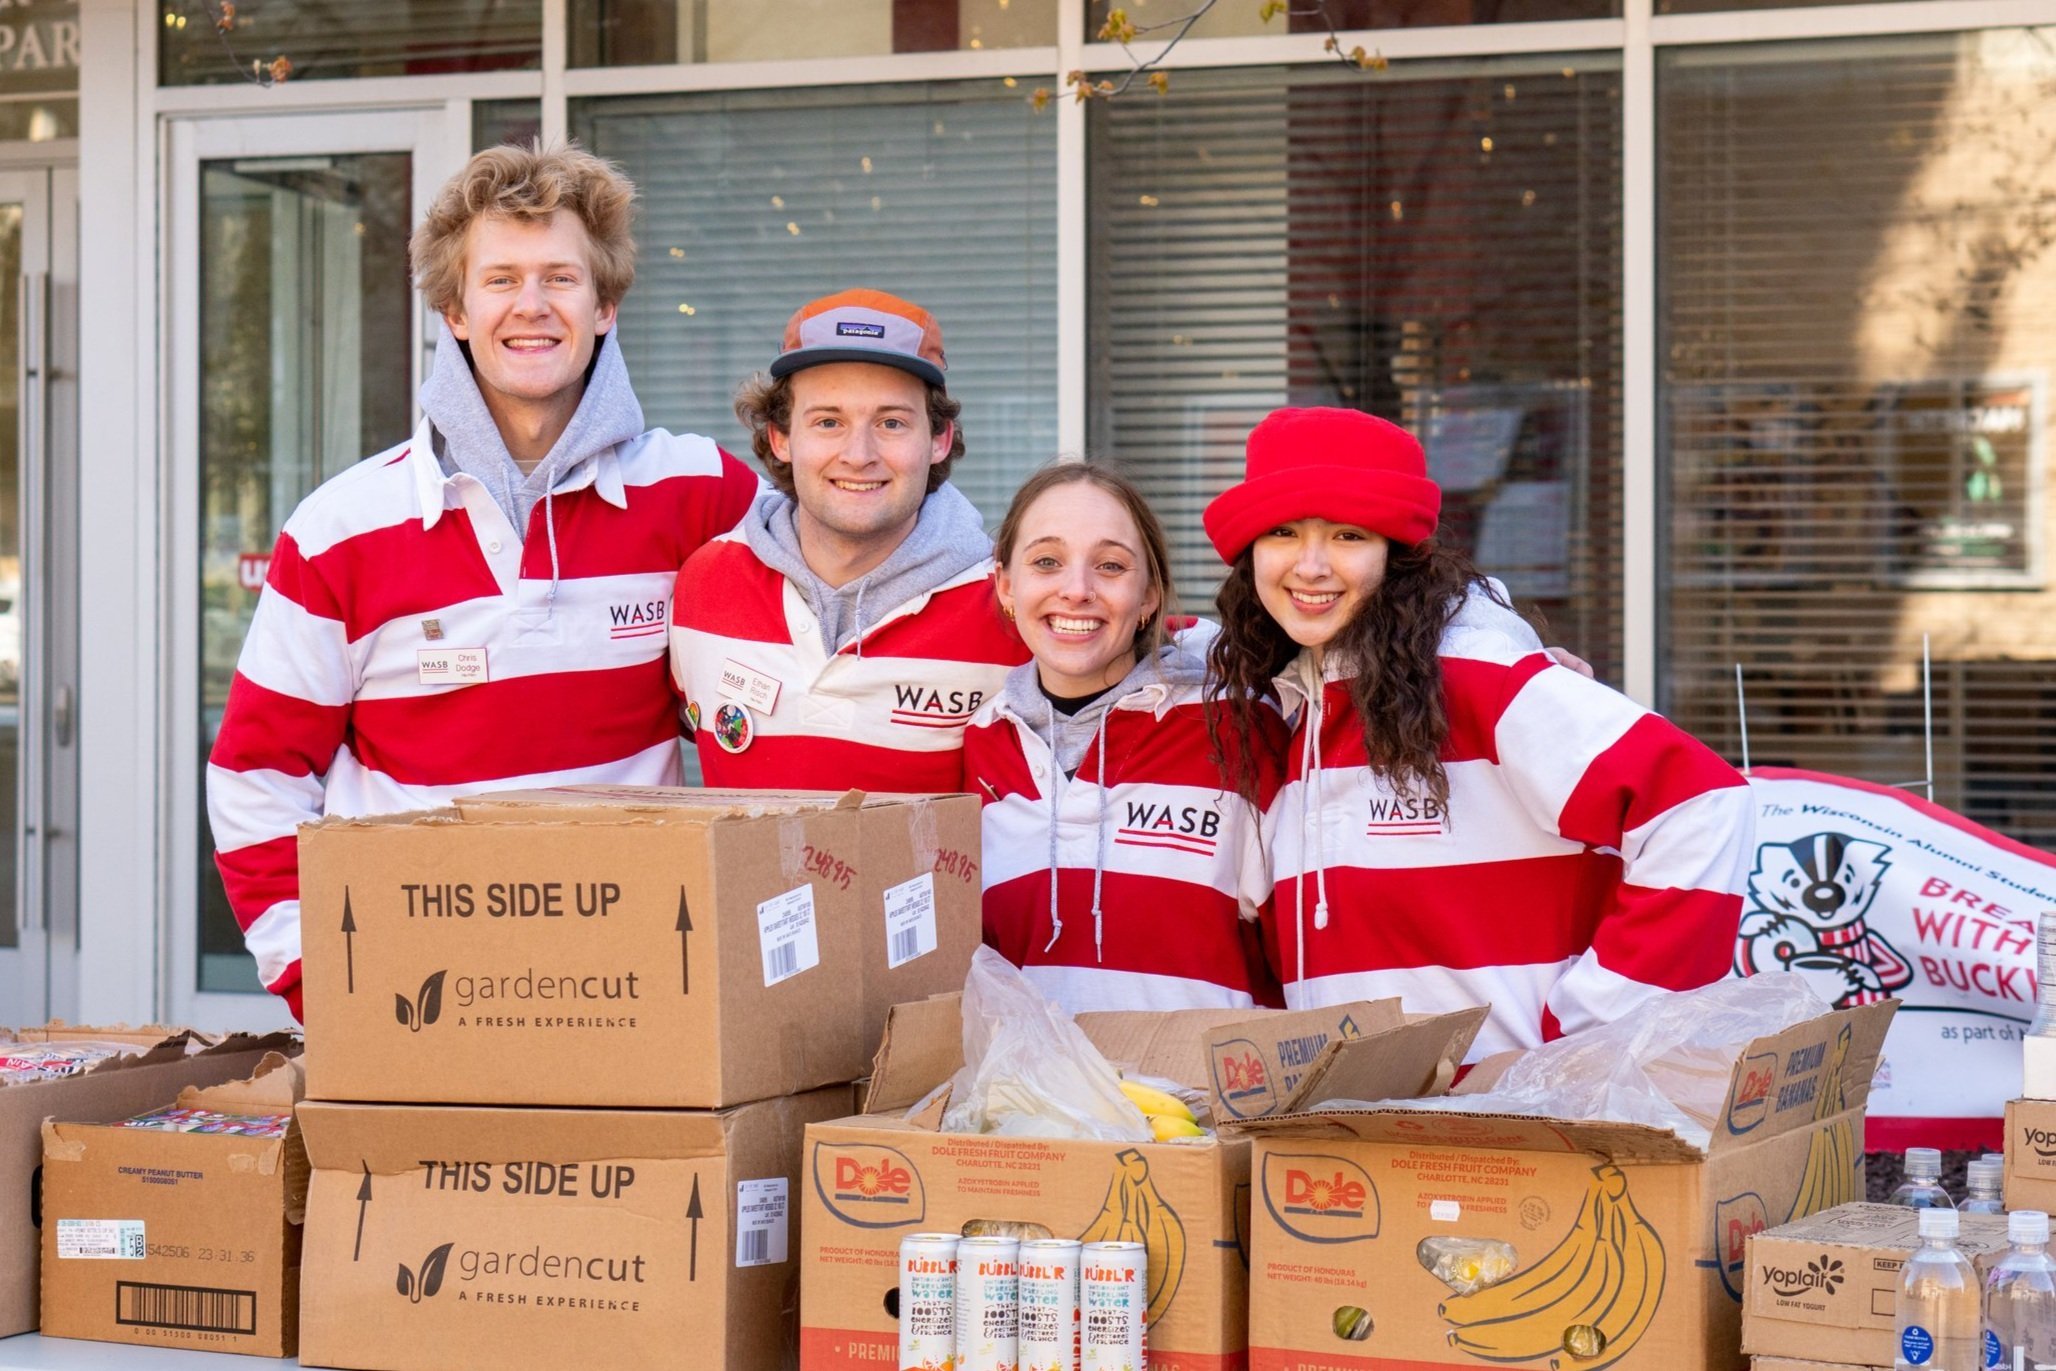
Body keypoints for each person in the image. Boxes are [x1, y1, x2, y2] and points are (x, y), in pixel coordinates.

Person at [207, 143, 759, 1019]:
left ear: (606, 304)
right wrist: (319, 978)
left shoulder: (700, 493)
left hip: (635, 992)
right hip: (413, 996)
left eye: (560, 279)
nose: (531, 307)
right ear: (456, 311)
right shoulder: (340, 530)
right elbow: (256, 773)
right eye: (500, 279)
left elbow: (843, 554)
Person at [1203, 406, 1753, 1062]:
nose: (1312, 565)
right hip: (1361, 1133)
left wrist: (1592, 1035)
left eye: (1349, 535)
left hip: (1516, 1133)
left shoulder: (1476, 674)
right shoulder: (1290, 704)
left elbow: (1703, 804)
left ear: (1398, 553)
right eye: (1284, 531)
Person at [669, 289, 1026, 790]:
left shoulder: (1012, 610)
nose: (859, 454)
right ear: (781, 438)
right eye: (829, 421)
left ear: (939, 438)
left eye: (892, 422)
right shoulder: (704, 584)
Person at [965, 462, 1282, 1013]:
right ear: (1007, 587)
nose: (1077, 590)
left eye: (1110, 566)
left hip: (1203, 1094)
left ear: (1149, 597)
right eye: (1046, 562)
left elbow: (1301, 943)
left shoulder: (1236, 725)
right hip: (1032, 1096)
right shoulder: (981, 743)